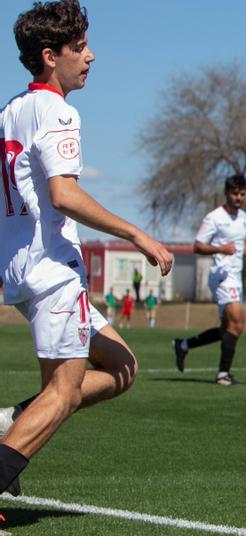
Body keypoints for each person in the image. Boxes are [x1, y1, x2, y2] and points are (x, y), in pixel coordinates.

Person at [0, 0, 174, 509]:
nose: (91, 57)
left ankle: (13, 422)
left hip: (24, 271)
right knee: (61, 395)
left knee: (122, 367)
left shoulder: (10, 111)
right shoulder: (57, 111)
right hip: (52, 272)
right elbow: (64, 194)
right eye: (80, 48)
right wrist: (136, 234)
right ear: (51, 56)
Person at [171, 174, 246, 386]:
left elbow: (239, 245)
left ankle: (183, 345)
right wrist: (220, 249)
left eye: (242, 194)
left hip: (236, 277)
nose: (239, 197)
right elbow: (197, 246)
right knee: (238, 323)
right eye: (234, 193)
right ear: (226, 193)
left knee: (227, 329)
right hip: (222, 278)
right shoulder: (214, 218)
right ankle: (223, 375)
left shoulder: (243, 217)